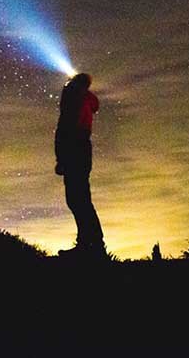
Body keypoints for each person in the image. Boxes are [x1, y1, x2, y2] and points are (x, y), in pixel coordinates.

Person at [54, 72, 105, 258]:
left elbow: (65, 130)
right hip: (81, 150)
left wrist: (62, 158)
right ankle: (90, 244)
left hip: (74, 150)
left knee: (78, 200)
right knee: (80, 199)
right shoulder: (84, 100)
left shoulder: (73, 100)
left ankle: (91, 246)